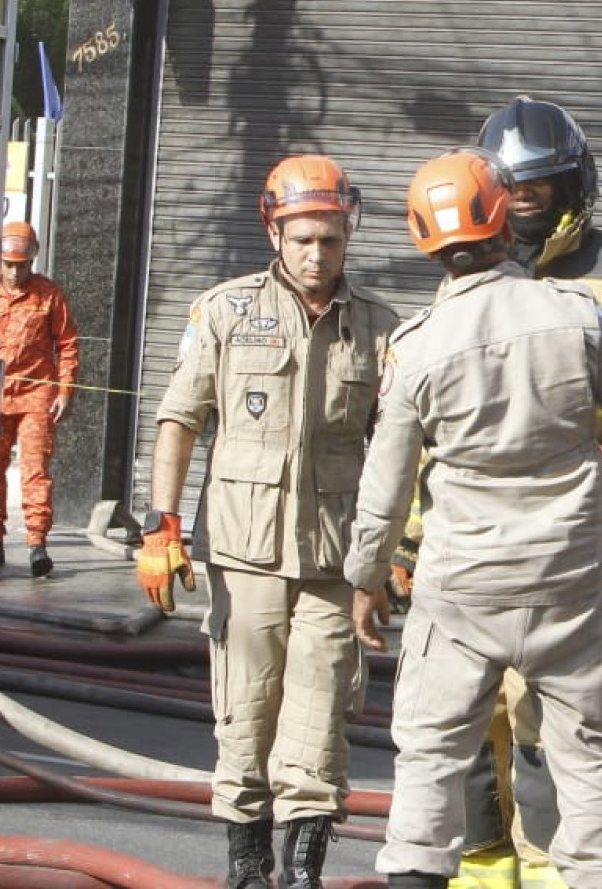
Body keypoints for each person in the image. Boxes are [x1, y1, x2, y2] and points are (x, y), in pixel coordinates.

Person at [347, 147, 602, 889]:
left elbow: (385, 484)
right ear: (502, 217)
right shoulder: (577, 317)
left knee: (432, 755)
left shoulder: (416, 347)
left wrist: (366, 576)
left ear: (424, 237)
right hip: (568, 584)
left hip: (460, 591)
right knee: (585, 759)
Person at [136, 155, 397, 889]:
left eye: (332, 240)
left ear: (349, 238)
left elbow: (402, 448)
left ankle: (303, 872)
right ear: (274, 231)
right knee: (246, 716)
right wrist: (161, 527)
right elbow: (179, 419)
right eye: (303, 238)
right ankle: (246, 869)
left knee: (320, 721)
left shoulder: (380, 331)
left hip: (335, 563)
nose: (317, 255)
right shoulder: (224, 312)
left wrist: (399, 547)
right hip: (244, 554)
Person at [0, 219, 79, 578]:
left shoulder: (49, 294)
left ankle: (36, 544)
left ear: (33, 260)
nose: (14, 273)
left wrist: (65, 389)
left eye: (21, 265)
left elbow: (68, 343)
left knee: (35, 469)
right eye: (9, 265)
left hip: (36, 396)